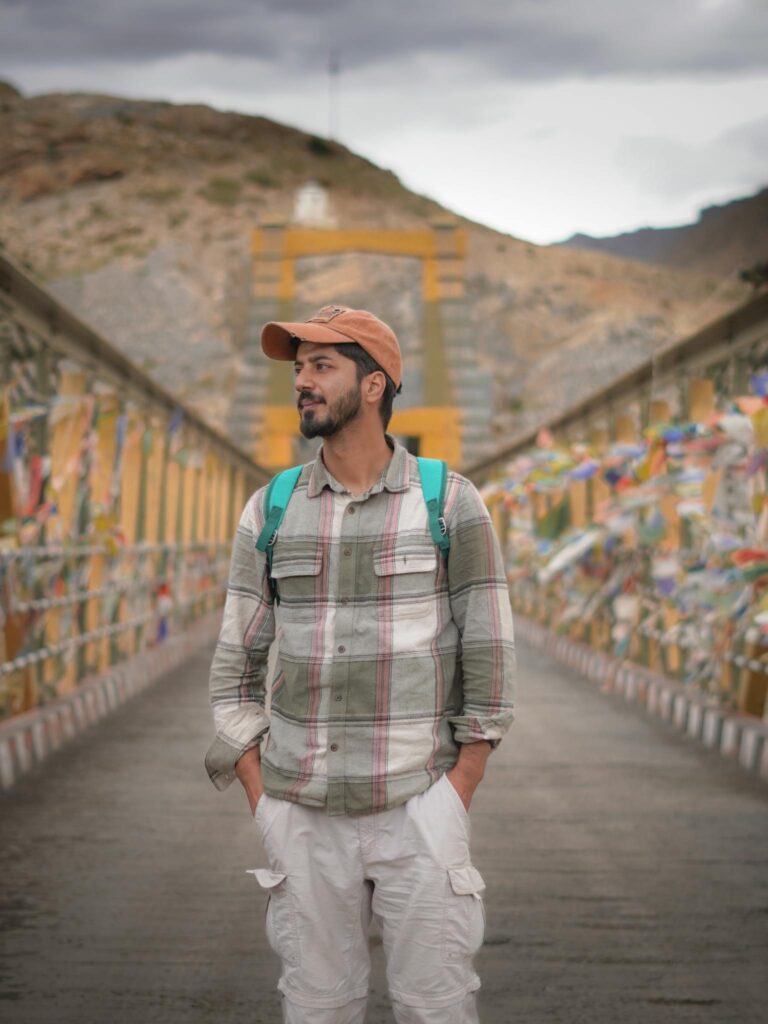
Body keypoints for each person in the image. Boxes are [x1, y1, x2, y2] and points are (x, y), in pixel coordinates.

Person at [205, 304, 515, 1024]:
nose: (302, 384)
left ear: (374, 385)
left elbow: (490, 648)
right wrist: (263, 796)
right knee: (316, 1008)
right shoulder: (270, 509)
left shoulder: (449, 502)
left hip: (418, 803)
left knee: (435, 1008)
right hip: (301, 807)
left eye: (321, 367)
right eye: (298, 369)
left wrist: (459, 785)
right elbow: (236, 664)